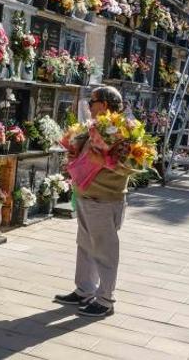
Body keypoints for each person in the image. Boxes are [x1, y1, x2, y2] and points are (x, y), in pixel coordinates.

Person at [54, 86, 137, 318]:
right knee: (85, 245)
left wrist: (104, 160)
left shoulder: (124, 129)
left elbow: (132, 166)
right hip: (85, 196)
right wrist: (75, 153)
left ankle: (105, 299)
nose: (89, 106)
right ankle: (85, 290)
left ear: (106, 104)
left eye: (93, 101)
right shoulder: (93, 127)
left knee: (104, 250)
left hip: (104, 199)